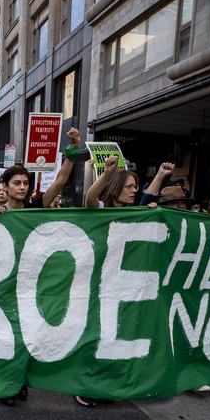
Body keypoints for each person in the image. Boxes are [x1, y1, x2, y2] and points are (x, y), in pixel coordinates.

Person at [0, 127, 82, 406]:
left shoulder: (36, 206)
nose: (22, 187)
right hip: (2, 284)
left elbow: (61, 180)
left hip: (30, 284)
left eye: (25, 183)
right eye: (16, 183)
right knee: (4, 337)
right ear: (5, 187)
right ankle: (5, 383)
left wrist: (72, 152)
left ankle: (18, 382)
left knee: (26, 336)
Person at [76, 153, 141, 407]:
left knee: (115, 336)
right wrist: (107, 173)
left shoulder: (139, 213)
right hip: (97, 284)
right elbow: (91, 197)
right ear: (116, 189)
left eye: (136, 187)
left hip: (123, 286)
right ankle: (87, 386)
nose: (134, 191)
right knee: (96, 335)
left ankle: (108, 385)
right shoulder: (100, 211)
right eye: (129, 187)